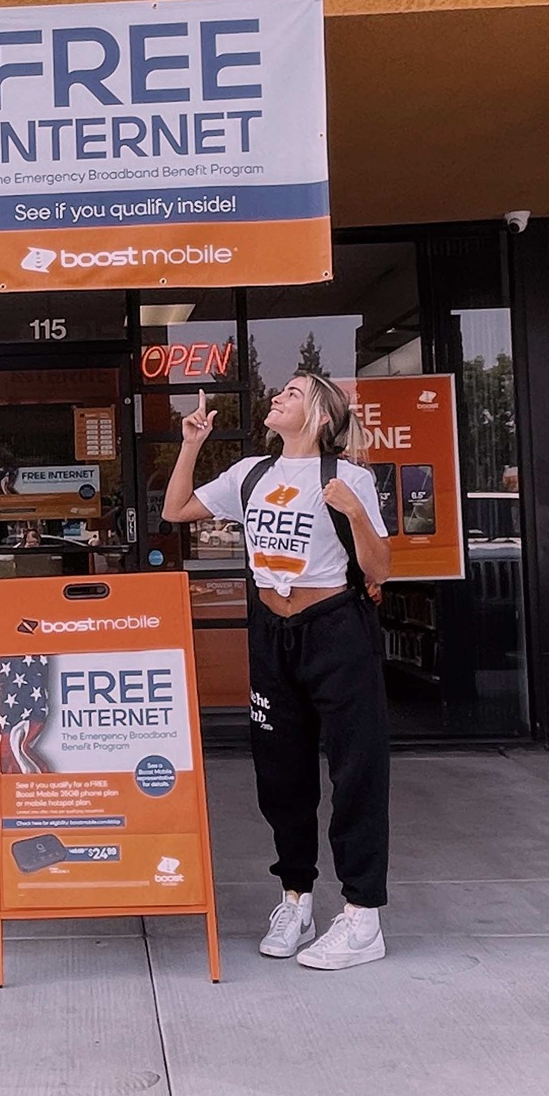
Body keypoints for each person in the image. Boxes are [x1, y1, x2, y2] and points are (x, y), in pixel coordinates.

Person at [162, 372, 394, 970]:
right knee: (281, 776)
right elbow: (175, 509)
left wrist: (356, 514)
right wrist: (191, 444)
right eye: (281, 391)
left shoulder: (349, 478)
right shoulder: (250, 474)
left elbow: (379, 568)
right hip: (271, 630)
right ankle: (296, 900)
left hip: (335, 629)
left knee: (356, 770)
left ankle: (363, 917)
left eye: (293, 392)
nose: (278, 397)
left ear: (321, 416)